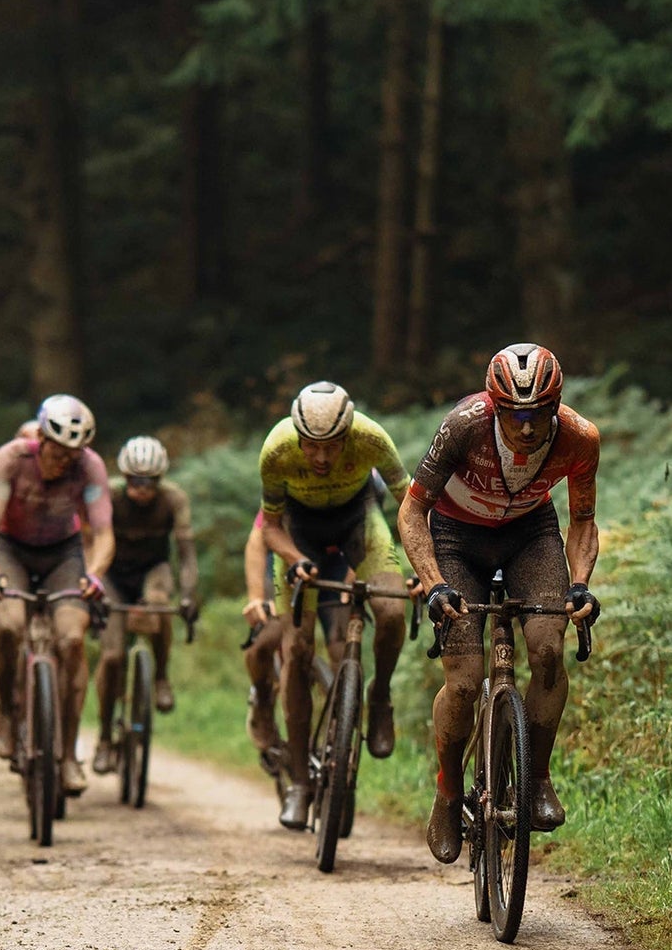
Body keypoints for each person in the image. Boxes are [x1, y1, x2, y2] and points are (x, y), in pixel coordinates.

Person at [398, 343, 601, 864]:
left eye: (539, 414)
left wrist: (579, 583)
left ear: (557, 407)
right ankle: (447, 793)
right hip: (454, 536)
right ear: (494, 405)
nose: (528, 428)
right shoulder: (463, 424)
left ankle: (535, 781)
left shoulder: (580, 439)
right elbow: (412, 511)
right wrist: (434, 582)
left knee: (549, 652)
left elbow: (582, 522)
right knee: (463, 682)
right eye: (514, 414)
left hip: (529, 535)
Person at [260, 381, 412, 830]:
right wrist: (295, 559)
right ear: (297, 436)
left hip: (358, 522)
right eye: (312, 447)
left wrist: (426, 569)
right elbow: (269, 528)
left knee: (392, 610)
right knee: (297, 651)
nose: (322, 458)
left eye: (332, 446)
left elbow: (409, 504)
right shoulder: (276, 451)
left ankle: (380, 696)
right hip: (299, 532)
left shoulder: (371, 438)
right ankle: (301, 783)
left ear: (349, 434)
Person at [0, 394, 114, 799]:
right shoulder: (12, 460)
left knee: (71, 639)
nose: (62, 461)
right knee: (8, 624)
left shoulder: (90, 468)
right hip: (12, 549)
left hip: (63, 553)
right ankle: (5, 706)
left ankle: (68, 753)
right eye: (56, 451)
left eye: (72, 454)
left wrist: (96, 575)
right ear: (41, 440)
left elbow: (103, 534)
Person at [91, 436, 199, 774]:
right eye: (135, 481)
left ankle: (162, 676)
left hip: (153, 570)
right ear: (124, 477)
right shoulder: (107, 495)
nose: (141, 489)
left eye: (149, 482)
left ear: (160, 479)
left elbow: (185, 554)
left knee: (158, 603)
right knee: (111, 657)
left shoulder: (173, 500)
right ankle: (105, 737)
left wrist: (189, 593)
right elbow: (87, 540)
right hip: (112, 573)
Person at [240, 511, 287, 777]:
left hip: (334, 563)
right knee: (266, 638)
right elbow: (258, 540)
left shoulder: (369, 488)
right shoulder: (285, 481)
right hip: (278, 570)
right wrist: (259, 598)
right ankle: (262, 699)